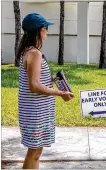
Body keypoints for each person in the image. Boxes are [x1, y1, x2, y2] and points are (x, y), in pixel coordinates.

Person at [16, 13, 74, 169]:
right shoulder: (35, 53)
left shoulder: (27, 51)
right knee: (34, 153)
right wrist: (61, 93)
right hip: (35, 112)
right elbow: (34, 85)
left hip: (33, 110)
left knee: (35, 153)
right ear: (39, 30)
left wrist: (52, 80)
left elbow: (34, 80)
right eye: (46, 28)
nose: (47, 32)